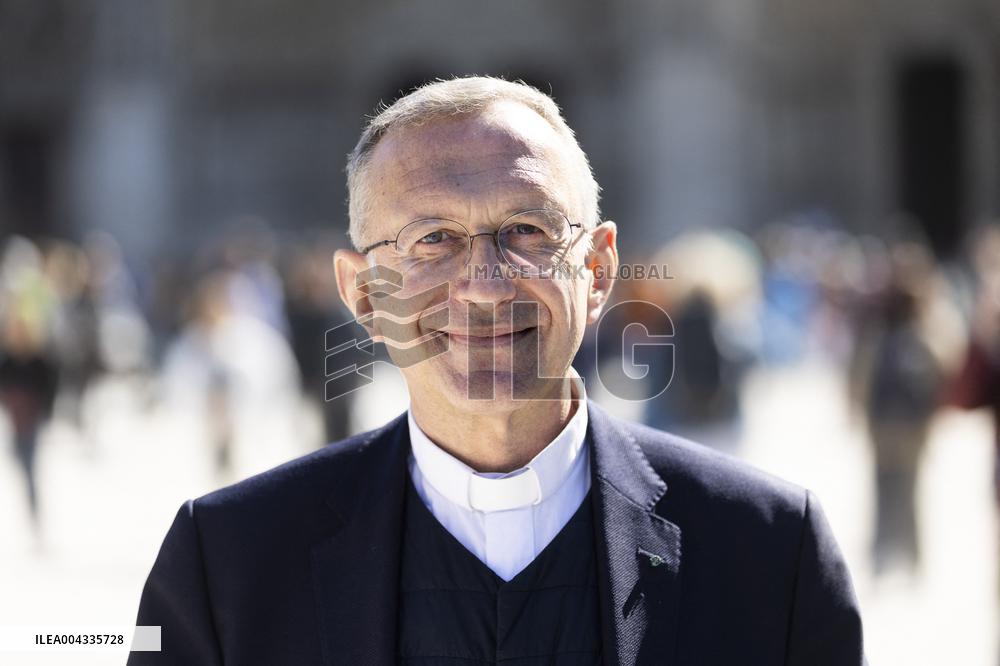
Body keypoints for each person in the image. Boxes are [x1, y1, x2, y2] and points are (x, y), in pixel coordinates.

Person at [128, 77, 864, 665]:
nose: (485, 283)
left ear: (599, 269)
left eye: (528, 231)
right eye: (433, 238)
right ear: (362, 294)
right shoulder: (226, 563)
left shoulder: (770, 552)